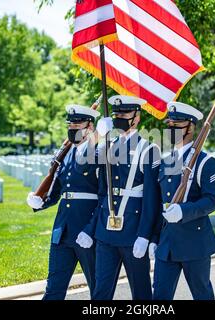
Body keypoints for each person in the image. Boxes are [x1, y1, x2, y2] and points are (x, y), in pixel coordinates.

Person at [27, 105, 100, 300]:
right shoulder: (65, 154)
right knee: (54, 289)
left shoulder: (99, 153)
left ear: (90, 127)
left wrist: (91, 230)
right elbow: (58, 190)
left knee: (98, 290)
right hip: (62, 231)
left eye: (78, 123)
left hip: (86, 232)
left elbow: (104, 197)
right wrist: (40, 201)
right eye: (71, 123)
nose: (73, 127)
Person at [91, 95, 161, 300]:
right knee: (101, 293)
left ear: (136, 117)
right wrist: (97, 135)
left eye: (124, 113)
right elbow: (101, 189)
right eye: (116, 114)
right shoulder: (107, 146)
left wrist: (145, 235)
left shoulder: (149, 149)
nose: (119, 117)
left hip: (133, 232)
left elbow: (151, 199)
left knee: (141, 293)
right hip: (106, 231)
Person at [150, 102, 215, 300]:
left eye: (176, 124)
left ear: (191, 127)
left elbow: (213, 200)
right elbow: (158, 205)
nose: (171, 127)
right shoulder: (165, 161)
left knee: (202, 295)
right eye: (169, 123)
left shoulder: (205, 161)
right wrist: (154, 238)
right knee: (160, 297)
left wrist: (184, 211)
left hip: (194, 242)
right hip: (167, 243)